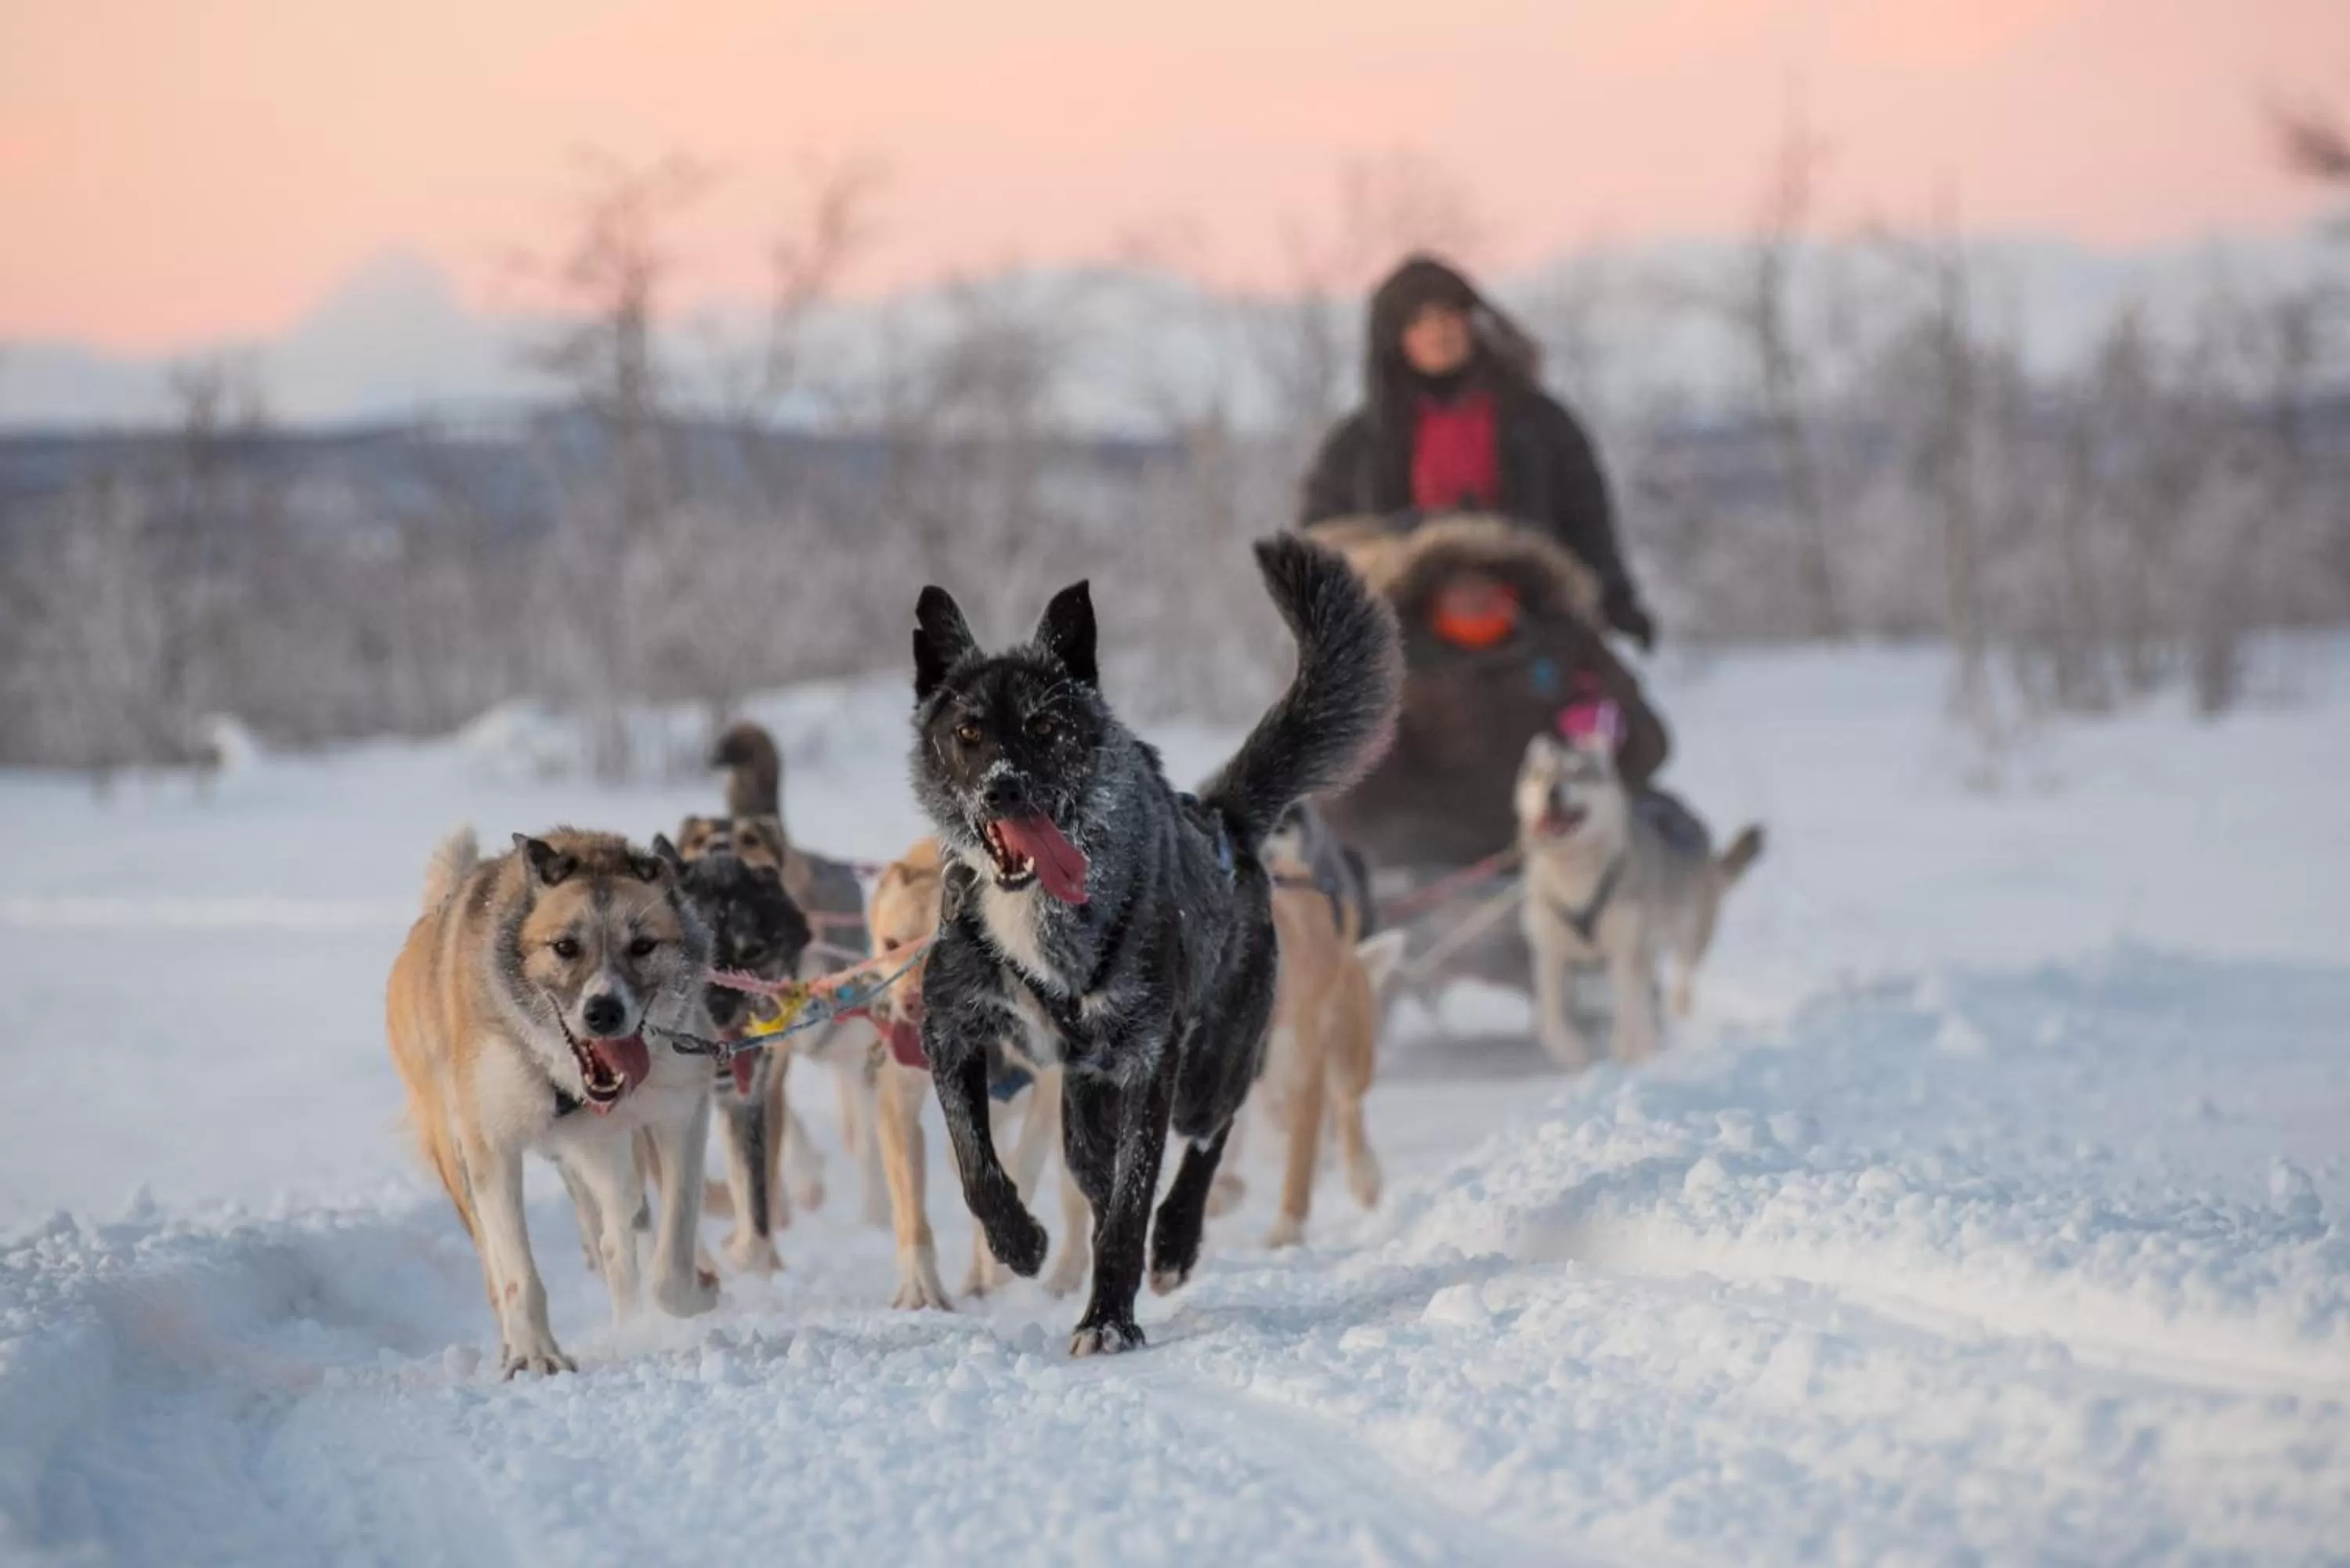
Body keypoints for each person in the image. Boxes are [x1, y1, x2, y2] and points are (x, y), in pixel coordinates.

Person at [1300, 255, 1656, 652]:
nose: (1437, 332)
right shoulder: (1358, 443)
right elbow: (1322, 546)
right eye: (1417, 321)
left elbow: (1588, 518)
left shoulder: (1538, 422)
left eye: (1447, 316)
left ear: (1472, 323)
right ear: (1395, 339)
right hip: (1409, 635)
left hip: (1532, 621)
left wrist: (1615, 600)